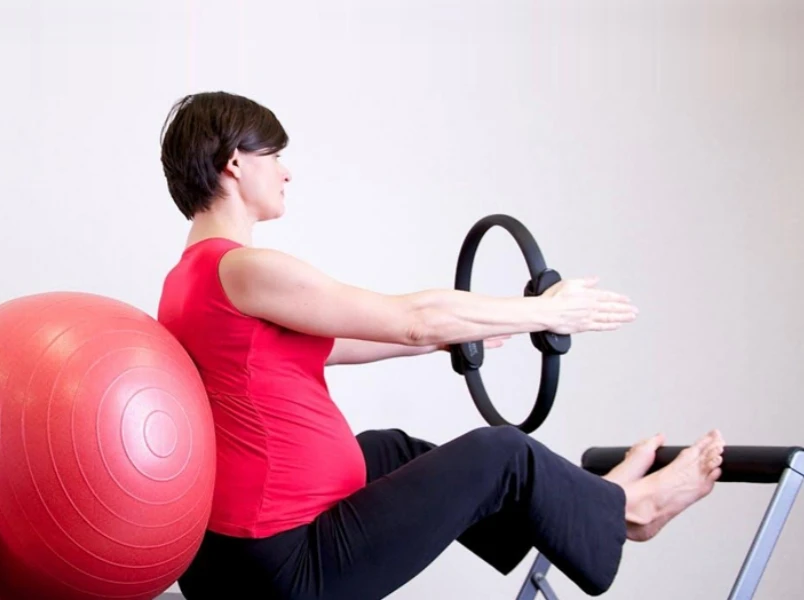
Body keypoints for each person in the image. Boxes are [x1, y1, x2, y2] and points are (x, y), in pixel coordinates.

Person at [155, 91, 725, 600]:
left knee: (390, 449)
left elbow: (328, 346)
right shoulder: (246, 267)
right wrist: (545, 312)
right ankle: (631, 511)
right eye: (275, 156)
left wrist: (440, 343)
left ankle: (583, 505)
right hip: (278, 569)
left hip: (227, 557)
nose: (287, 172)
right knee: (500, 452)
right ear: (235, 163)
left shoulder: (190, 278)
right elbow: (414, 318)